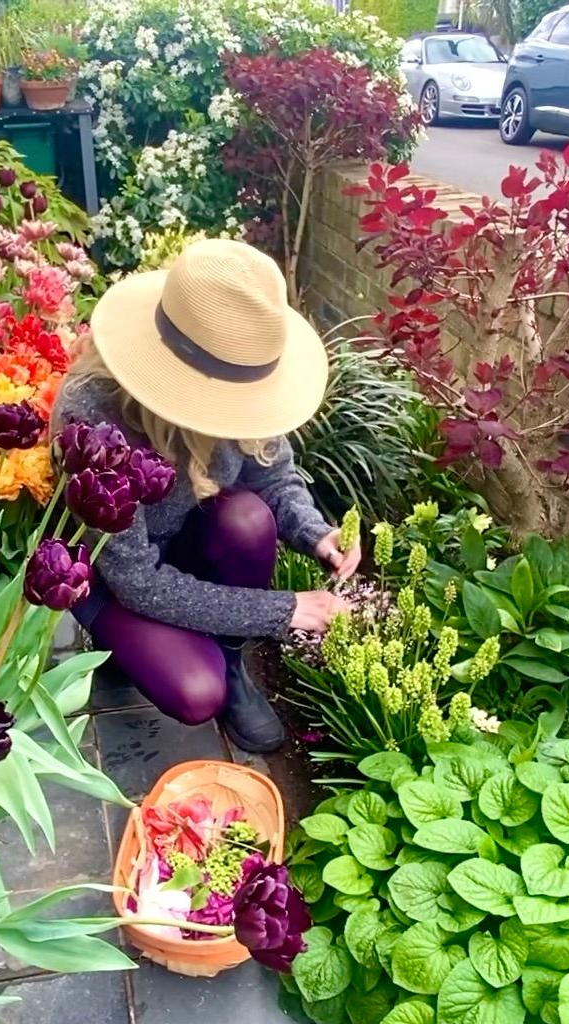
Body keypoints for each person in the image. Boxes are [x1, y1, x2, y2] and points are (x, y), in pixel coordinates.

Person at [53, 238, 361, 753]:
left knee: (248, 518)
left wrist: (316, 532)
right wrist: (284, 610)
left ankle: (229, 658)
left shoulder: (243, 380)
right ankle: (130, 649)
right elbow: (137, 582)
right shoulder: (93, 416)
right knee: (196, 693)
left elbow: (275, 475)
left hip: (188, 542)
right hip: (114, 575)